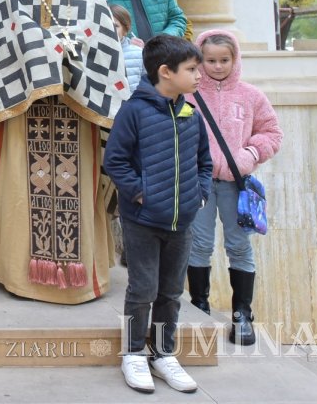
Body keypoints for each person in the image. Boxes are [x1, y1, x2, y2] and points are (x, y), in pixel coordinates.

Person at [0, 0, 129, 304]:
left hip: (78, 110)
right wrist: (39, 52)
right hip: (24, 112)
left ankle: (78, 277)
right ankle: (20, 276)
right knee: (22, 195)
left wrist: (62, 50)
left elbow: (105, 49)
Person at [103, 34, 212, 394]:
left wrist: (200, 194)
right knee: (143, 289)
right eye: (192, 69)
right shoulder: (134, 112)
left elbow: (204, 163)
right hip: (144, 221)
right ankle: (133, 352)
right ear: (165, 72)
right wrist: (140, 195)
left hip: (182, 222)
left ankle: (163, 354)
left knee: (170, 292)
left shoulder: (191, 114)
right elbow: (114, 161)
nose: (199, 75)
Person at [187, 29, 283, 346]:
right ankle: (199, 304)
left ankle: (242, 313)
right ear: (200, 60)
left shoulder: (251, 96)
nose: (217, 66)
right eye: (210, 60)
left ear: (235, 59)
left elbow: (271, 133)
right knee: (199, 244)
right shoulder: (187, 95)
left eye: (223, 60)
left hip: (235, 185)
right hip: (199, 184)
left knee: (238, 246)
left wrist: (250, 154)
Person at [110, 4, 145, 93]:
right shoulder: (94, 52)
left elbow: (149, 84)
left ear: (125, 30)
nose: (110, 29)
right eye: (106, 25)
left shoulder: (138, 54)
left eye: (115, 26)